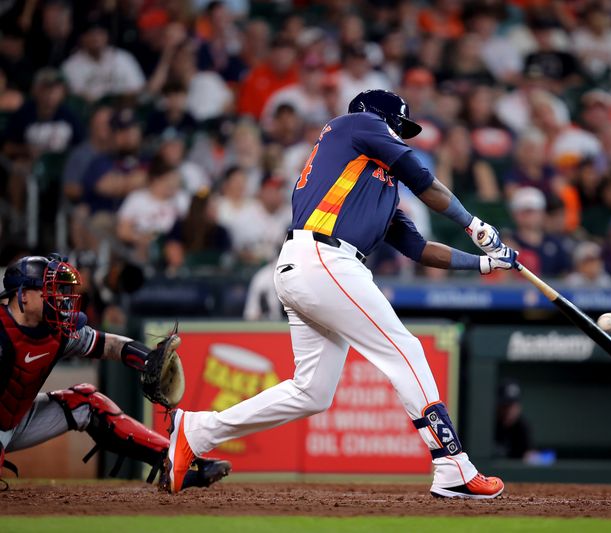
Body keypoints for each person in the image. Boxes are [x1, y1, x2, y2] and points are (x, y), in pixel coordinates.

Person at [164, 89, 517, 499]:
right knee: (406, 352)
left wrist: (484, 263)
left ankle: (198, 430)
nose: (400, 136)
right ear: (379, 118)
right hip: (324, 259)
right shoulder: (355, 124)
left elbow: (418, 248)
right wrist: (475, 225)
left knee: (311, 392)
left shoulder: (373, 184)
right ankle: (452, 464)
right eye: (398, 127)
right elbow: (423, 181)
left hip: (310, 265)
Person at [0, 254, 230, 489]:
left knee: (85, 401)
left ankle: (177, 464)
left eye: (58, 290)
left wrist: (148, 360)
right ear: (23, 296)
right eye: (48, 290)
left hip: (16, 419)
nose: (59, 298)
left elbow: (110, 346)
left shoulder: (58, 331)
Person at [494, 381, 534, 461]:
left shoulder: (522, 427)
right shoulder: (490, 425)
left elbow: (529, 455)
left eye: (512, 405)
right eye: (506, 405)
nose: (509, 410)